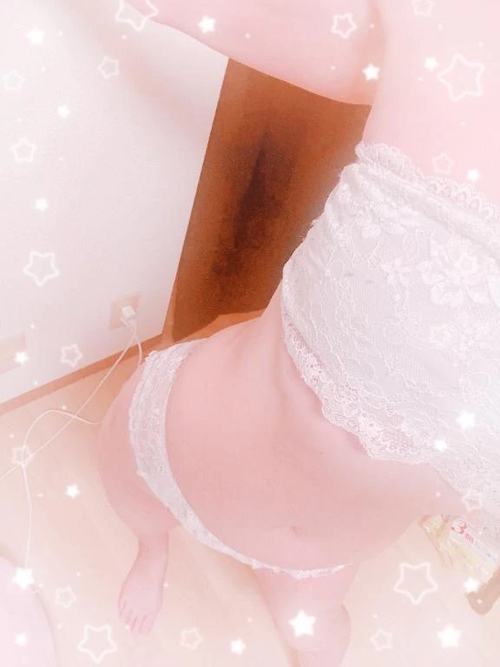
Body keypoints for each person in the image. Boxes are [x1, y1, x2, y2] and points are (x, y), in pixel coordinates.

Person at [94, 1, 500, 665]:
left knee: (314, 638)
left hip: (318, 561)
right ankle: (154, 550)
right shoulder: (454, 26)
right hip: (165, 437)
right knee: (139, 512)